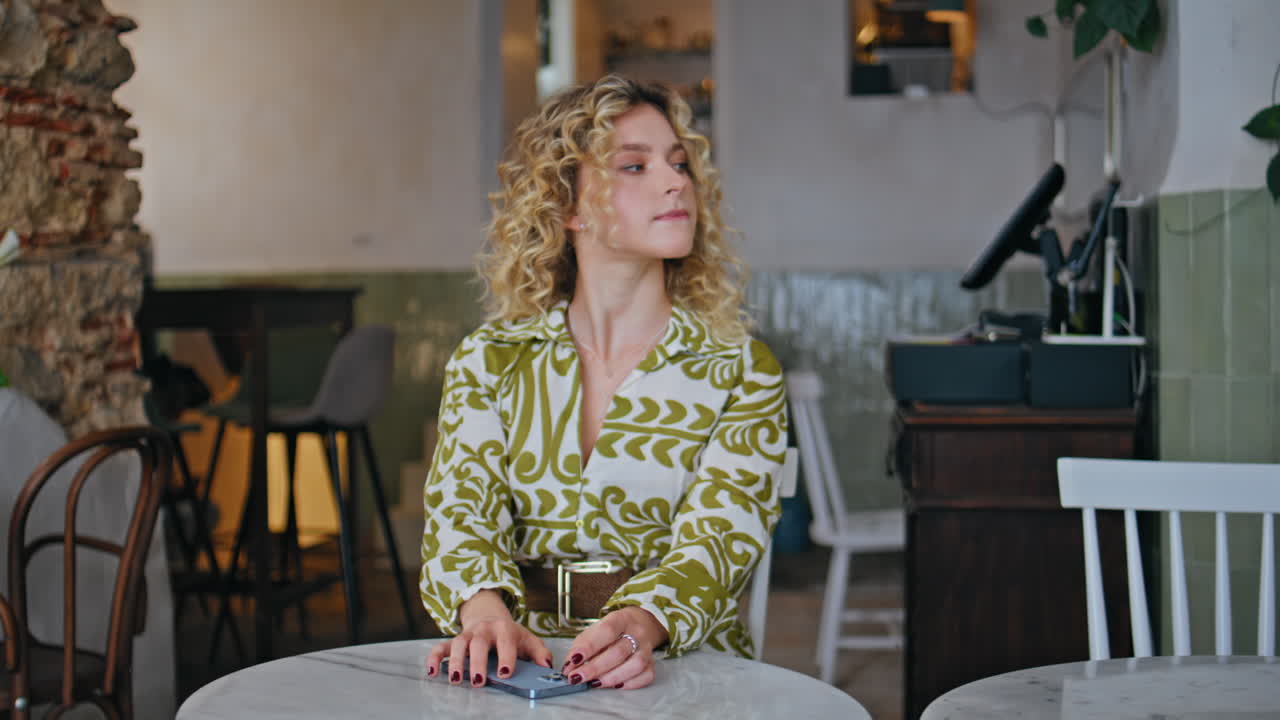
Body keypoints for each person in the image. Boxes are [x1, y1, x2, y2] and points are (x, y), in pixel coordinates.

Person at [420, 74, 787, 692]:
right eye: (633, 167)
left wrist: (641, 623)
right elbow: (462, 513)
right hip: (521, 666)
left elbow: (721, 539)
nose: (676, 182)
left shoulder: (741, 369)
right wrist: (483, 616)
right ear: (567, 206)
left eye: (678, 163)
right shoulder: (489, 360)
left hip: (680, 665)